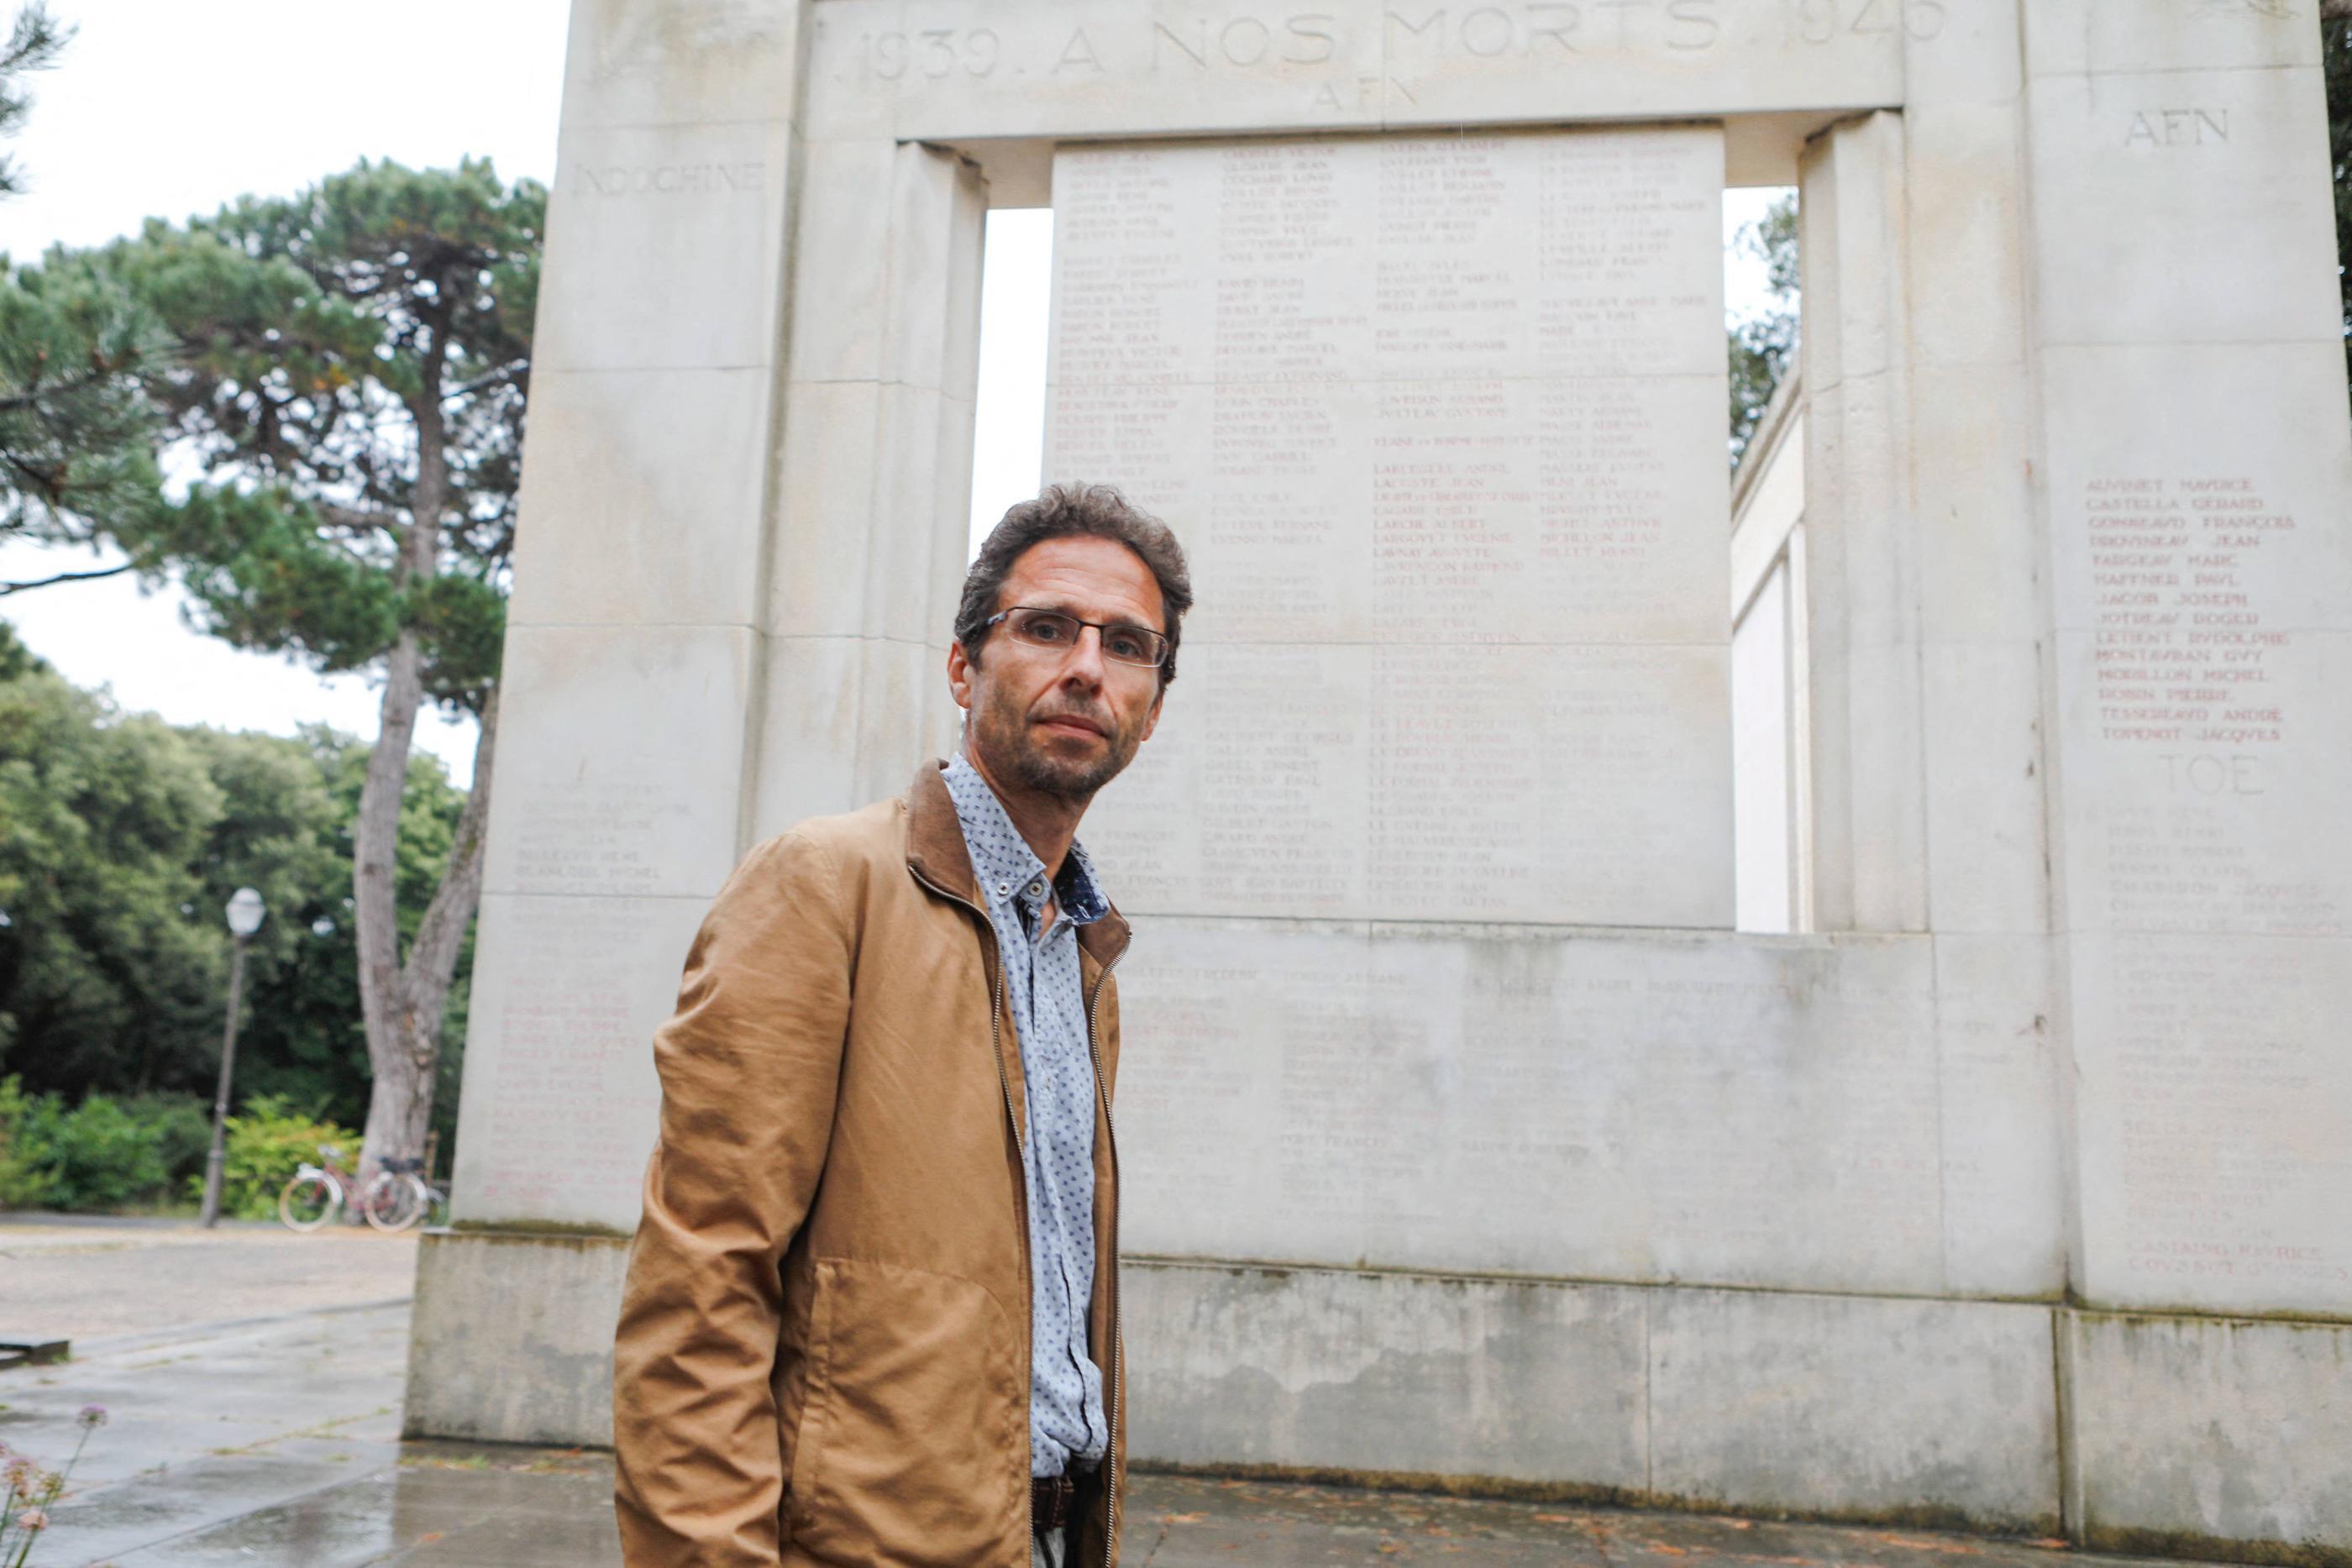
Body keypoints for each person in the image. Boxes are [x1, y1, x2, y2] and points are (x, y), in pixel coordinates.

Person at [612, 484, 1192, 1568]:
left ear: (1151, 708)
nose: (1087, 668)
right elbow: (701, 1287)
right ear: (965, 667)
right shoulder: (827, 884)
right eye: (1047, 628)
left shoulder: (1083, 956)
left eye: (1128, 646)